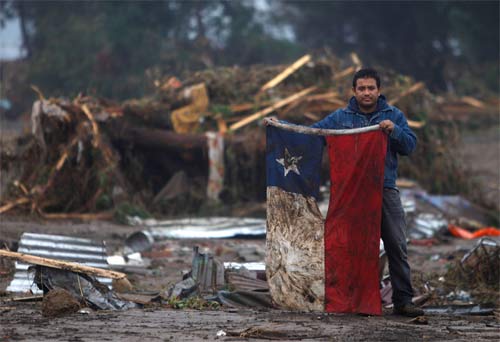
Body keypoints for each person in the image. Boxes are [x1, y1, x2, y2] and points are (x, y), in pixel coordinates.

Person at [309, 68, 423, 317]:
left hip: (384, 189)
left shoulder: (393, 115)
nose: (367, 93)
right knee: (349, 245)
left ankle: (403, 300)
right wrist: (279, 127)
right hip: (352, 194)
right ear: (354, 91)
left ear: (379, 90)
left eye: (371, 88)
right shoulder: (340, 117)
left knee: (396, 245)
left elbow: (410, 146)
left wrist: (394, 130)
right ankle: (351, 299)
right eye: (362, 88)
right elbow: (313, 134)